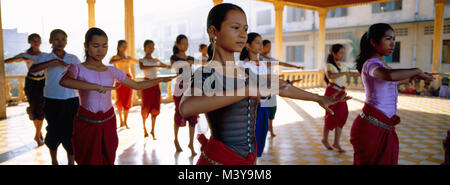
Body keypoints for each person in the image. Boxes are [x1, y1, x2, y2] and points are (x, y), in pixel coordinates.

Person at [179, 3, 350, 165]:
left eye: (245, 29)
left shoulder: (246, 72)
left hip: (248, 157)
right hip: (220, 159)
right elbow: (186, 108)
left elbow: (282, 86)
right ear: (213, 31)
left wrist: (318, 98)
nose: (243, 34)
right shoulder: (206, 72)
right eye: (236, 28)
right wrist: (247, 90)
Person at [59, 27, 173, 165]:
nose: (100, 50)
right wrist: (97, 87)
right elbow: (64, 81)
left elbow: (136, 85)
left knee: (108, 157)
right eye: (95, 46)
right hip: (87, 121)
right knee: (89, 159)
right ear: (86, 46)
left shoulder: (112, 70)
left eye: (104, 46)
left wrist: (159, 80)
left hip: (108, 120)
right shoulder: (77, 68)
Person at [350, 23, 435, 165]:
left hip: (381, 127)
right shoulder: (371, 64)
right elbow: (390, 76)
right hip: (370, 130)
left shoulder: (381, 65)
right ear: (373, 42)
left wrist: (414, 77)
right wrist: (417, 70)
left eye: (394, 40)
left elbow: (391, 82)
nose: (392, 44)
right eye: (388, 39)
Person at [29, 29, 81, 165]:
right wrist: (53, 62)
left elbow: (82, 74)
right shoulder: (45, 57)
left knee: (71, 131)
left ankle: (71, 162)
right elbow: (33, 70)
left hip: (71, 99)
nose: (60, 42)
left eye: (63, 39)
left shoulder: (73, 58)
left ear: (67, 41)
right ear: (51, 41)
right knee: (53, 130)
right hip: (52, 100)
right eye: (56, 39)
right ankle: (54, 160)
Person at [5, 33, 46, 146]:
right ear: (29, 42)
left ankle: (37, 134)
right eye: (33, 40)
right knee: (33, 107)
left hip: (42, 82)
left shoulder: (44, 55)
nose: (36, 42)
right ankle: (38, 134)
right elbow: (8, 61)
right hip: (31, 82)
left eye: (38, 40)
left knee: (41, 108)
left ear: (40, 42)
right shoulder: (26, 54)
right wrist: (23, 58)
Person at [259, 39, 304, 138]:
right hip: (263, 86)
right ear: (261, 46)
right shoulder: (258, 58)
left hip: (272, 85)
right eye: (267, 46)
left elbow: (282, 63)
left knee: (272, 108)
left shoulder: (269, 58)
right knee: (264, 109)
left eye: (270, 46)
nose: (269, 48)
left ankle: (270, 129)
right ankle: (263, 130)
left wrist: (296, 67)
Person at [322, 44, 359, 153]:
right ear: (334, 53)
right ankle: (325, 139)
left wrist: (364, 73)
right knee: (331, 115)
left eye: (343, 52)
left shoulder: (342, 65)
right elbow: (331, 76)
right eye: (341, 52)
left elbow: (351, 74)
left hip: (341, 93)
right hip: (332, 92)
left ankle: (336, 142)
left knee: (342, 115)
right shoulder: (329, 65)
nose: (343, 55)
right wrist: (344, 73)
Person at [170, 34, 199, 156]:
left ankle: (191, 143)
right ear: (177, 44)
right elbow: (174, 67)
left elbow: (201, 63)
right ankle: (176, 139)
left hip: (191, 87)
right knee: (179, 112)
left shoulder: (190, 58)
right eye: (182, 43)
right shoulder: (174, 57)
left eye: (187, 43)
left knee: (193, 114)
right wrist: (187, 63)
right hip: (180, 87)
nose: (185, 45)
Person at [139, 40, 171, 139]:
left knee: (155, 106)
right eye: (149, 46)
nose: (151, 48)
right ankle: (144, 128)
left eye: (152, 47)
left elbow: (166, 66)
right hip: (146, 85)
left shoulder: (156, 59)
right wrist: (157, 65)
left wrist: (171, 65)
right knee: (146, 105)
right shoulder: (142, 60)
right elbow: (142, 67)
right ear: (144, 48)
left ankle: (153, 130)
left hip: (156, 85)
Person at [109, 40, 139, 129]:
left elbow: (137, 62)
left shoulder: (128, 57)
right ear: (118, 47)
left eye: (126, 46)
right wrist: (120, 59)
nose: (125, 47)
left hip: (129, 78)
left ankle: (125, 122)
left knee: (127, 100)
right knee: (120, 100)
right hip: (120, 79)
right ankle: (121, 121)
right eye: (123, 46)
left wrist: (129, 59)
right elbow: (111, 62)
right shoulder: (115, 57)